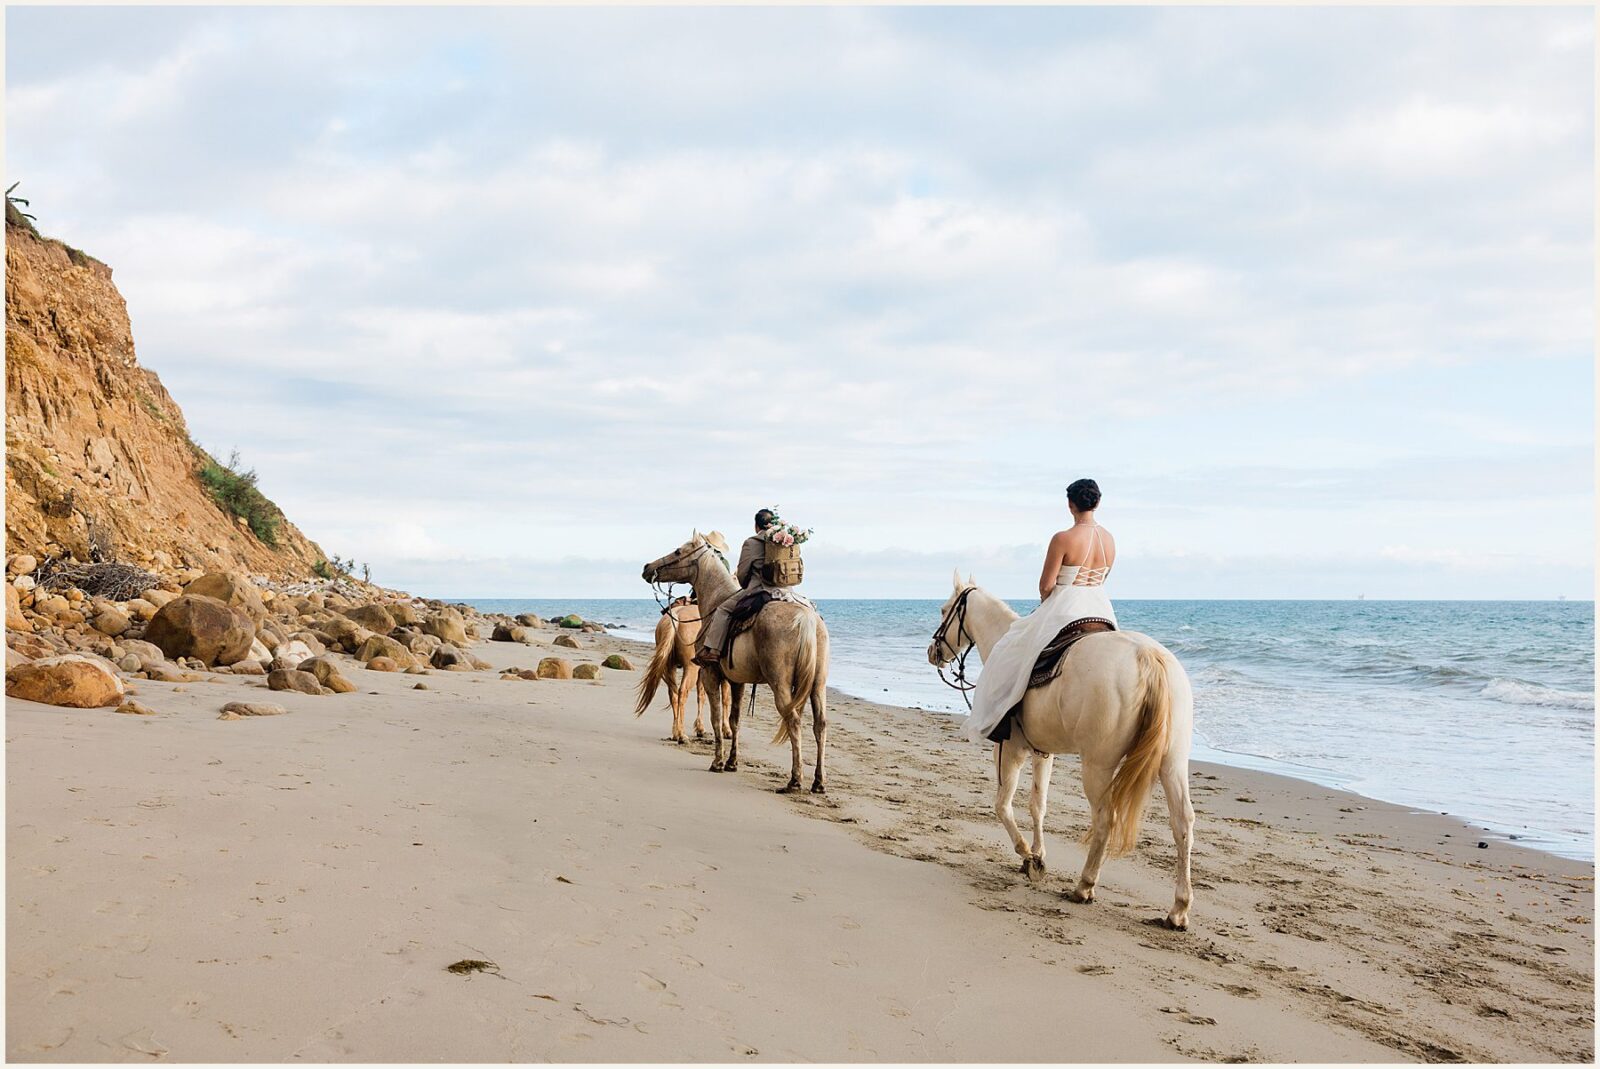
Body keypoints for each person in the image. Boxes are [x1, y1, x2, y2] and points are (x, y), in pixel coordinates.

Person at [963, 478, 1118, 744]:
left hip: (1067, 606)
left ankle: (1001, 721)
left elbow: (1046, 585)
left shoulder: (1063, 538)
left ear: (1070, 504)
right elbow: (1102, 578)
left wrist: (1047, 603)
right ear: (1098, 502)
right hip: (1100, 607)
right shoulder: (1109, 539)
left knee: (1008, 649)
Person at [695, 508, 791, 666]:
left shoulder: (751, 543)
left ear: (756, 526)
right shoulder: (785, 541)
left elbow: (742, 573)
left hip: (760, 590)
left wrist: (745, 585)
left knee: (723, 610)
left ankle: (714, 652)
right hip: (787, 592)